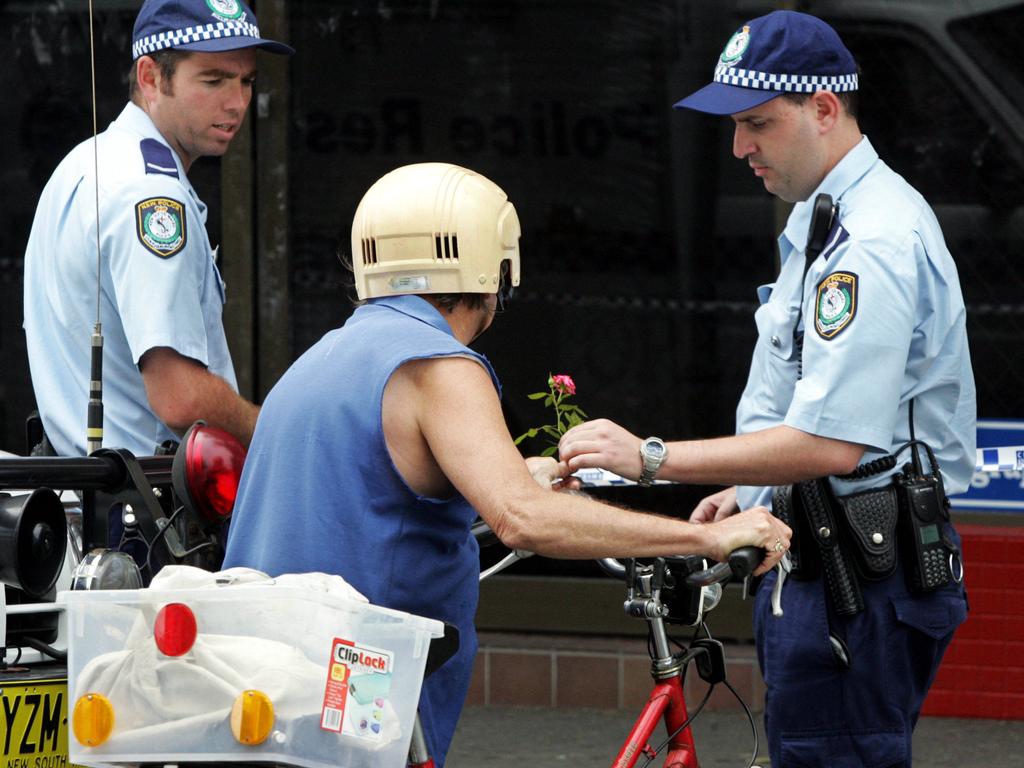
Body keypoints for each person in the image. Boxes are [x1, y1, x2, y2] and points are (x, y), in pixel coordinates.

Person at [222, 162, 791, 767]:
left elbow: (373, 487)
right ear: (494, 273)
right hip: (359, 690)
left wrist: (515, 471)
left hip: (266, 682)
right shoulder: (440, 365)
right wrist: (704, 537)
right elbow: (522, 520)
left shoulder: (322, 356)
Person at [559, 11, 973, 767]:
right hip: (836, 556)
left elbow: (832, 441)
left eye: (757, 123)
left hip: (861, 570)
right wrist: (752, 489)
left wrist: (649, 457)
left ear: (823, 108)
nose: (739, 147)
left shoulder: (871, 240)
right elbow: (804, 399)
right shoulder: (830, 217)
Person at [22, 0, 293, 457]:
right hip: (148, 507)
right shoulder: (150, 194)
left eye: (246, 80)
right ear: (150, 77)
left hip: (93, 495)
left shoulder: (85, 163)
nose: (237, 102)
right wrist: (277, 431)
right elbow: (180, 396)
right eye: (214, 80)